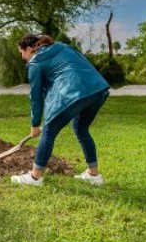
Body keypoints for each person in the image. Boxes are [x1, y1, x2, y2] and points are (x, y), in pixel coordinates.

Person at [11, 34, 110, 187]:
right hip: (97, 89)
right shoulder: (63, 46)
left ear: (30, 49)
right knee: (81, 128)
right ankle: (93, 175)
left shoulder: (35, 63)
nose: (23, 58)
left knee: (49, 130)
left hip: (73, 92)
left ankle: (34, 178)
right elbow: (84, 64)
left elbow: (36, 97)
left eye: (22, 53)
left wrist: (35, 125)